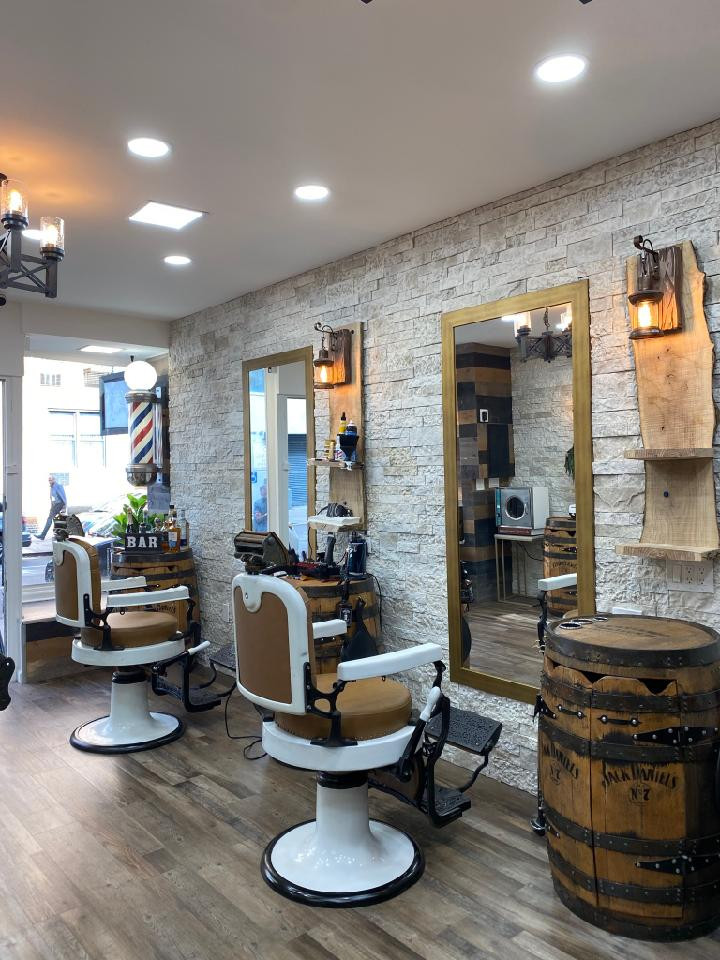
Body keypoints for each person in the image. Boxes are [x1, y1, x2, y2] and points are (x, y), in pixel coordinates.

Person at [36, 474, 67, 540]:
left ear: (54, 480)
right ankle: (59, 536)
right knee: (56, 520)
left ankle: (42, 535)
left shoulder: (58, 486)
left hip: (59, 505)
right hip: (55, 505)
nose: (49, 481)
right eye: (49, 480)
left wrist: (64, 507)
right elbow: (52, 498)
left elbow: (63, 497)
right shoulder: (52, 487)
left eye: (51, 480)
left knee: (50, 519)